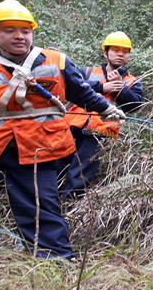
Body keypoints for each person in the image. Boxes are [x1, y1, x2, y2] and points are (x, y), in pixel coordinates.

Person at [0, 0, 125, 259]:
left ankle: (55, 264)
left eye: (25, 30)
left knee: (41, 212)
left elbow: (81, 91)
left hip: (38, 149)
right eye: (9, 30)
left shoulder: (57, 61)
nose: (19, 36)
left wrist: (106, 109)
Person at [60, 31, 145, 199]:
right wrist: (101, 87)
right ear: (106, 52)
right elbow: (69, 87)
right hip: (70, 126)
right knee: (57, 167)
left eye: (125, 51)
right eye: (116, 50)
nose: (120, 54)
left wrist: (121, 89)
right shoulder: (87, 72)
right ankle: (47, 205)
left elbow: (135, 105)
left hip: (100, 132)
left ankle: (67, 205)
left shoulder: (132, 82)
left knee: (80, 175)